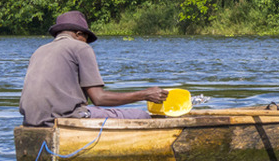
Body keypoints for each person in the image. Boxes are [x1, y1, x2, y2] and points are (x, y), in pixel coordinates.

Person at [19, 10, 169, 127]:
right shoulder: (80, 47)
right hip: (63, 119)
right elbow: (99, 98)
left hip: (32, 121)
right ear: (79, 34)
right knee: (141, 116)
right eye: (86, 39)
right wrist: (145, 94)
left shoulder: (40, 50)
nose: (87, 43)